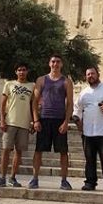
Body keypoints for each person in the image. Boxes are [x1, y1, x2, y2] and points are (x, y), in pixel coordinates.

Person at [73, 67, 103, 192]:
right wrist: (78, 122)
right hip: (88, 132)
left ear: (98, 74)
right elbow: (77, 109)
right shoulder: (84, 93)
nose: (90, 76)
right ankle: (90, 182)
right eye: (88, 74)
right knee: (89, 159)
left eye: (92, 73)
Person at [30, 54, 74, 190]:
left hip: (59, 120)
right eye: (53, 61)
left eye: (58, 62)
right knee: (38, 150)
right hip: (44, 119)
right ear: (49, 64)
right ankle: (35, 178)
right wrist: (36, 120)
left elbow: (70, 104)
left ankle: (64, 180)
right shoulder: (41, 80)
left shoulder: (66, 82)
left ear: (61, 64)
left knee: (63, 152)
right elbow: (34, 102)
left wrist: (66, 122)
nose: (55, 64)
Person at [0, 63, 35, 187]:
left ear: (27, 71)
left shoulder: (32, 86)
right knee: (6, 150)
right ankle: (2, 177)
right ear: (16, 72)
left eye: (24, 70)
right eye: (19, 70)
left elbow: (34, 105)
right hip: (10, 122)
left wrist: (34, 121)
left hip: (24, 124)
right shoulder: (9, 84)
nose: (21, 72)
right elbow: (2, 104)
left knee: (19, 152)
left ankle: (13, 177)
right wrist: (2, 120)